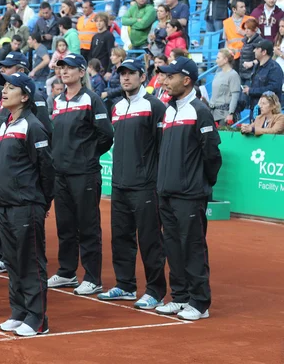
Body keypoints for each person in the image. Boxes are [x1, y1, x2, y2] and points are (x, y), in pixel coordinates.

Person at [155, 57, 222, 321]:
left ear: (186, 80)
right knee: (172, 246)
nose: (164, 81)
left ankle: (199, 302)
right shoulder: (169, 110)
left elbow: (212, 155)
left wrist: (201, 184)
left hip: (190, 194)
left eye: (170, 77)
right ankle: (180, 297)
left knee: (192, 247)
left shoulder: (200, 110)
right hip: (167, 193)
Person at [97, 58, 167, 310]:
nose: (125, 78)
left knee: (150, 240)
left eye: (131, 74)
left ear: (142, 76)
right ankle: (125, 285)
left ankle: (155, 290)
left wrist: (157, 181)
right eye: (122, 74)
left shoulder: (155, 106)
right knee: (121, 238)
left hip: (146, 186)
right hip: (120, 184)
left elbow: (163, 147)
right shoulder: (116, 107)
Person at [0, 71, 54, 336]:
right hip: (5, 205)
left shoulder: (33, 125)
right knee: (13, 262)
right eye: (3, 87)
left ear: (25, 96)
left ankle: (37, 319)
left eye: (10, 88)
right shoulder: (5, 123)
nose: (4, 91)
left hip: (26, 205)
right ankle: (19, 311)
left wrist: (39, 202)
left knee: (30, 261)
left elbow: (46, 169)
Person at [47, 53, 114, 294]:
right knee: (65, 224)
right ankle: (66, 272)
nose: (64, 72)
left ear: (81, 71)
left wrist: (87, 155)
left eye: (70, 68)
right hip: (61, 173)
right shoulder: (56, 100)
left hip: (84, 173)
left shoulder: (92, 100)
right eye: (61, 68)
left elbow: (106, 134)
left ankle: (93, 277)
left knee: (88, 225)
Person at [242, 40, 284, 116]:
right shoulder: (256, 66)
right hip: (255, 108)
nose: (254, 50)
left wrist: (251, 91)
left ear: (264, 52)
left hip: (268, 112)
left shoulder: (274, 68)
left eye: (257, 48)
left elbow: (273, 88)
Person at [209, 49, 241, 125]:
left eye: (218, 58)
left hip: (224, 116)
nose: (216, 60)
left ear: (225, 60)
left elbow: (235, 96)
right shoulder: (218, 74)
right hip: (213, 114)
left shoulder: (233, 75)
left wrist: (231, 113)